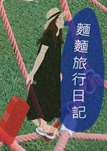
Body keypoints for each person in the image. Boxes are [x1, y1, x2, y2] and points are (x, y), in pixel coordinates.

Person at [26, 8, 66, 139]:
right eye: (60, 19)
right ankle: (42, 125)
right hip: (44, 71)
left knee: (50, 95)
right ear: (54, 21)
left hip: (53, 71)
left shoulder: (57, 35)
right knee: (42, 95)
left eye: (62, 18)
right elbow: (41, 54)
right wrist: (32, 73)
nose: (63, 21)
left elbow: (56, 56)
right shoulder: (49, 36)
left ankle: (46, 123)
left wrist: (59, 72)